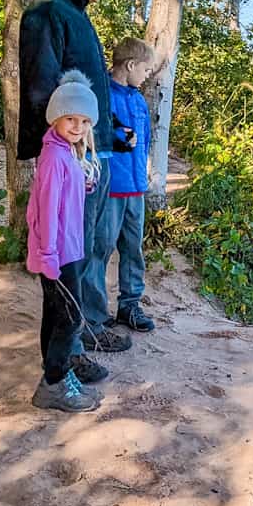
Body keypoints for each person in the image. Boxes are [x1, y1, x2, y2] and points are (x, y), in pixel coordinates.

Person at [19, 0, 135, 385]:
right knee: (69, 259)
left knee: (87, 251)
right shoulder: (48, 13)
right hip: (73, 160)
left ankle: (83, 332)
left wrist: (112, 136)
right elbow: (41, 91)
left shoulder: (75, 16)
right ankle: (63, 359)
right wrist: (58, 152)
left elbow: (85, 93)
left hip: (94, 152)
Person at [27, 71, 103, 413]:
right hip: (58, 253)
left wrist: (83, 185)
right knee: (70, 318)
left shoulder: (67, 153)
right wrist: (47, 256)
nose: (78, 127)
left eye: (85, 121)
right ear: (56, 116)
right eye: (71, 118)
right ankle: (53, 385)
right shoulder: (54, 157)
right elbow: (44, 209)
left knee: (55, 315)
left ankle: (54, 374)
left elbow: (64, 197)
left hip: (67, 248)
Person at [99, 37, 157, 332]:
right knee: (102, 248)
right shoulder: (102, 95)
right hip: (110, 189)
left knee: (133, 249)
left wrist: (145, 172)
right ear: (131, 65)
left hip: (136, 188)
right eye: (146, 69)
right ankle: (94, 311)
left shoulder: (138, 98)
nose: (148, 75)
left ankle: (130, 305)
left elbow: (142, 142)